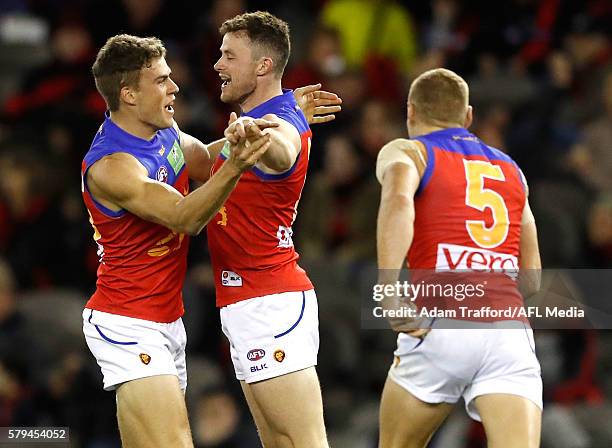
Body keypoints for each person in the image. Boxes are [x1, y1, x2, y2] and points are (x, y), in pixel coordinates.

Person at [81, 34, 340, 448]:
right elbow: (186, 218)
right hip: (129, 322)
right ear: (129, 94)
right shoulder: (113, 166)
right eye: (162, 81)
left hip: (166, 318)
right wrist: (237, 165)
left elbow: (207, 159)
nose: (174, 88)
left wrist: (284, 118)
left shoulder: (163, 135)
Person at [375, 68, 542, 448]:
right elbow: (531, 278)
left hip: (440, 323)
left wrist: (388, 289)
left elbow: (399, 201)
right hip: (507, 334)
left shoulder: (409, 151)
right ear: (468, 117)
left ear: (410, 111)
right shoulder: (513, 171)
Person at [206, 11, 338, 447]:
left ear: (262, 66)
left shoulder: (274, 125)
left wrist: (263, 137)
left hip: (270, 300)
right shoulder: (277, 114)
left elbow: (282, 151)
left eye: (229, 55)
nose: (218, 65)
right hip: (247, 301)